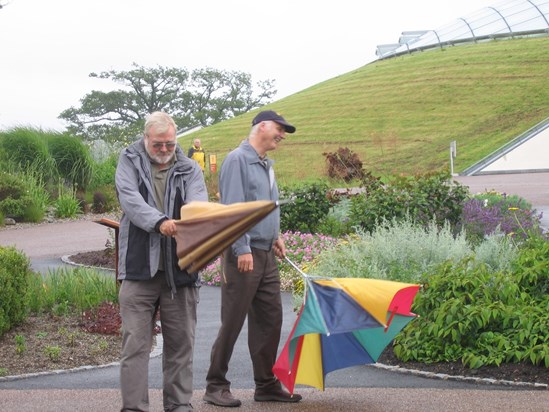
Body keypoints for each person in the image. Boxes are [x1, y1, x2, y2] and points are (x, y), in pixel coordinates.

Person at [203, 110, 302, 407]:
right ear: (261, 126)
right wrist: (241, 246)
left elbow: (268, 205)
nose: (282, 135)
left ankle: (266, 385)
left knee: (270, 320)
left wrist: (276, 236)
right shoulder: (238, 160)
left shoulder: (265, 164)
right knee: (232, 321)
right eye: (279, 129)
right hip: (242, 254)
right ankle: (215, 385)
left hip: (266, 253)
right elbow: (233, 208)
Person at [115, 111, 208, 412]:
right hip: (139, 269)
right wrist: (160, 222)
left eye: (169, 143)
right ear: (146, 139)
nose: (165, 150)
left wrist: (190, 219)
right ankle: (134, 408)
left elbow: (197, 204)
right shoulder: (128, 160)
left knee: (182, 344)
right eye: (158, 145)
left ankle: (179, 405)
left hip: (181, 270)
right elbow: (130, 200)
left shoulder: (190, 168)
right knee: (135, 346)